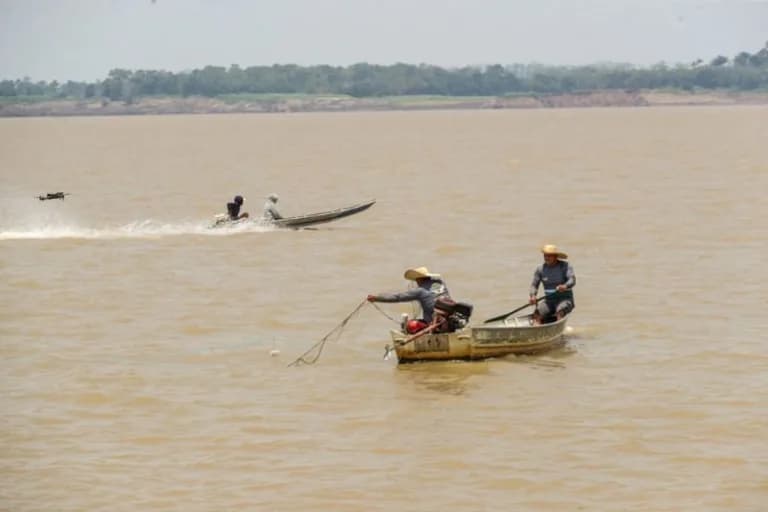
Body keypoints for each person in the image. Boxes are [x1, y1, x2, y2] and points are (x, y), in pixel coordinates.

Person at [367, 267, 452, 334]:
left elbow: (398, 297)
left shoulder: (420, 291)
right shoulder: (440, 283)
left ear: (419, 279)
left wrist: (377, 298)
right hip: (450, 319)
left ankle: (430, 331)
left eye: (416, 280)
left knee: (410, 325)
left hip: (435, 324)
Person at [529, 244, 575, 325]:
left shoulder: (565, 266)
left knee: (560, 312)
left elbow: (572, 280)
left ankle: (558, 326)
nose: (546, 258)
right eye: (545, 255)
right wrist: (533, 296)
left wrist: (565, 286)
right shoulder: (540, 269)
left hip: (564, 299)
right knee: (536, 314)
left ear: (556, 256)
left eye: (549, 256)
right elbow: (534, 285)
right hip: (549, 301)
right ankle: (537, 328)